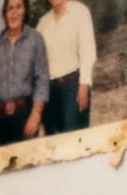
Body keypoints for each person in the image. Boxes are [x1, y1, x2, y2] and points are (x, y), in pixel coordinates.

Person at [0, 0, 48, 146]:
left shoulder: (35, 39)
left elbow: (42, 79)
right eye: (10, 8)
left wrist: (36, 115)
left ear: (25, 10)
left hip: (25, 116)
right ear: (4, 14)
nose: (14, 13)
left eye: (19, 7)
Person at [34, 0, 94, 135]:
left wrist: (84, 86)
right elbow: (36, 60)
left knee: (73, 138)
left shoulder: (80, 11)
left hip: (73, 87)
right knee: (53, 141)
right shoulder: (43, 23)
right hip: (50, 92)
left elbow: (87, 50)